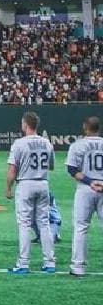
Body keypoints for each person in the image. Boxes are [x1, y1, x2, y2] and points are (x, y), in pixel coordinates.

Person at [6, 112, 56, 274]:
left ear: (26, 125)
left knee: (24, 224)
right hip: (43, 183)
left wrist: (8, 187)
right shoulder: (46, 143)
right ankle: (49, 262)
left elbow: (12, 169)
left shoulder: (19, 144)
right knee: (44, 223)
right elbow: (51, 166)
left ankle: (23, 263)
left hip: (25, 184)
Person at [66, 116, 103, 278]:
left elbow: (72, 170)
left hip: (85, 188)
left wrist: (90, 182)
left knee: (81, 227)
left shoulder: (77, 145)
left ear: (85, 127)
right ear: (98, 128)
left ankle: (78, 267)